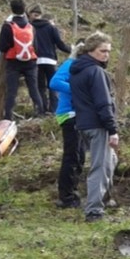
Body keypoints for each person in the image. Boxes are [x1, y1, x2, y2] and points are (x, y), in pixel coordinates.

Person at [69, 32, 118, 223]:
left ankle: (104, 197)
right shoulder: (96, 72)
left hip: (83, 124)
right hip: (98, 125)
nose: (106, 55)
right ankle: (94, 211)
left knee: (110, 160)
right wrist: (112, 129)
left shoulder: (77, 71)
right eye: (102, 51)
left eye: (108, 51)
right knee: (100, 166)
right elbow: (103, 104)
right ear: (90, 50)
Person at [49, 41, 86, 209]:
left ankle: (73, 191)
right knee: (71, 156)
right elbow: (54, 82)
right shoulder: (71, 64)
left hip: (79, 116)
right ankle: (66, 197)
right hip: (68, 115)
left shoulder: (84, 67)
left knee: (79, 156)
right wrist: (76, 89)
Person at [0, 0, 44, 120]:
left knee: (11, 91)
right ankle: (40, 113)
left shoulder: (8, 26)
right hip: (31, 62)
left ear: (11, 9)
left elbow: (2, 47)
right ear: (25, 10)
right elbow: (36, 47)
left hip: (13, 62)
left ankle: (8, 117)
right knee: (34, 89)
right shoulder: (30, 27)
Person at [29, 5, 71, 114]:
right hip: (50, 60)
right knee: (53, 85)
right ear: (42, 15)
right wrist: (72, 50)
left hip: (36, 60)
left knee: (40, 87)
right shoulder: (51, 27)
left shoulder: (29, 27)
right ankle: (53, 110)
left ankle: (41, 110)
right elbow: (60, 44)